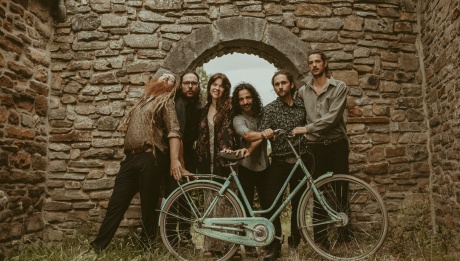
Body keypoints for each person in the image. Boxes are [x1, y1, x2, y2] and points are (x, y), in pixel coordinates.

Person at [88, 72, 183, 252]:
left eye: (171, 80)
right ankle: (97, 247)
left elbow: (174, 131)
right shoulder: (142, 101)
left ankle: (146, 248)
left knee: (148, 207)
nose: (167, 80)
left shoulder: (166, 102)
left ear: (173, 88)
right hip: (130, 159)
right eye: (164, 76)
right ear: (155, 80)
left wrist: (174, 160)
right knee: (116, 204)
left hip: (150, 157)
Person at [245, 70, 307, 261]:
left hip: (300, 161)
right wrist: (248, 151)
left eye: (283, 83)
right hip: (279, 161)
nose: (280, 87)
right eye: (276, 84)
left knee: (299, 204)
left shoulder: (302, 107)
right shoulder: (270, 109)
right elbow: (262, 135)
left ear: (291, 85)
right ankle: (274, 245)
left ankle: (295, 243)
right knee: (271, 203)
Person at [292, 49, 350, 249]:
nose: (314, 65)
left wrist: (307, 128)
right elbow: (296, 114)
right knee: (317, 193)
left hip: (336, 146)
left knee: (341, 191)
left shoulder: (339, 87)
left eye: (318, 61)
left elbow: (333, 118)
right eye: (311, 62)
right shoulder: (302, 91)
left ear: (325, 63)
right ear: (308, 66)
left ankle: (344, 239)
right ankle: (321, 240)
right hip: (314, 148)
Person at [195, 73, 238, 258]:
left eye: (221, 85)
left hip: (225, 161)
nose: (217, 88)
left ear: (225, 89)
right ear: (209, 86)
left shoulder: (231, 109)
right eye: (214, 84)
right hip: (206, 162)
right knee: (210, 204)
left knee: (228, 204)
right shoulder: (203, 110)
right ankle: (211, 246)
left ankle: (230, 246)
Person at [163, 70, 202, 247]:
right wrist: (179, 161)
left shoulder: (196, 105)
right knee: (173, 195)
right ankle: (171, 238)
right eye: (187, 83)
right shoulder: (178, 103)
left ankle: (185, 236)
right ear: (181, 85)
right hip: (176, 156)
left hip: (189, 156)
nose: (190, 86)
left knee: (186, 197)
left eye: (193, 83)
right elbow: (176, 134)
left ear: (198, 86)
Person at [230, 82, 269, 258]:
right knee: (244, 208)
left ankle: (267, 243)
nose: (245, 101)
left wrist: (252, 148)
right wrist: (264, 133)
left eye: (248, 97)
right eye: (241, 99)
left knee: (267, 206)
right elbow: (247, 135)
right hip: (245, 167)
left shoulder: (263, 115)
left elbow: (257, 140)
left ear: (253, 97)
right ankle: (247, 246)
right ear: (237, 102)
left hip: (265, 166)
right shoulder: (238, 119)